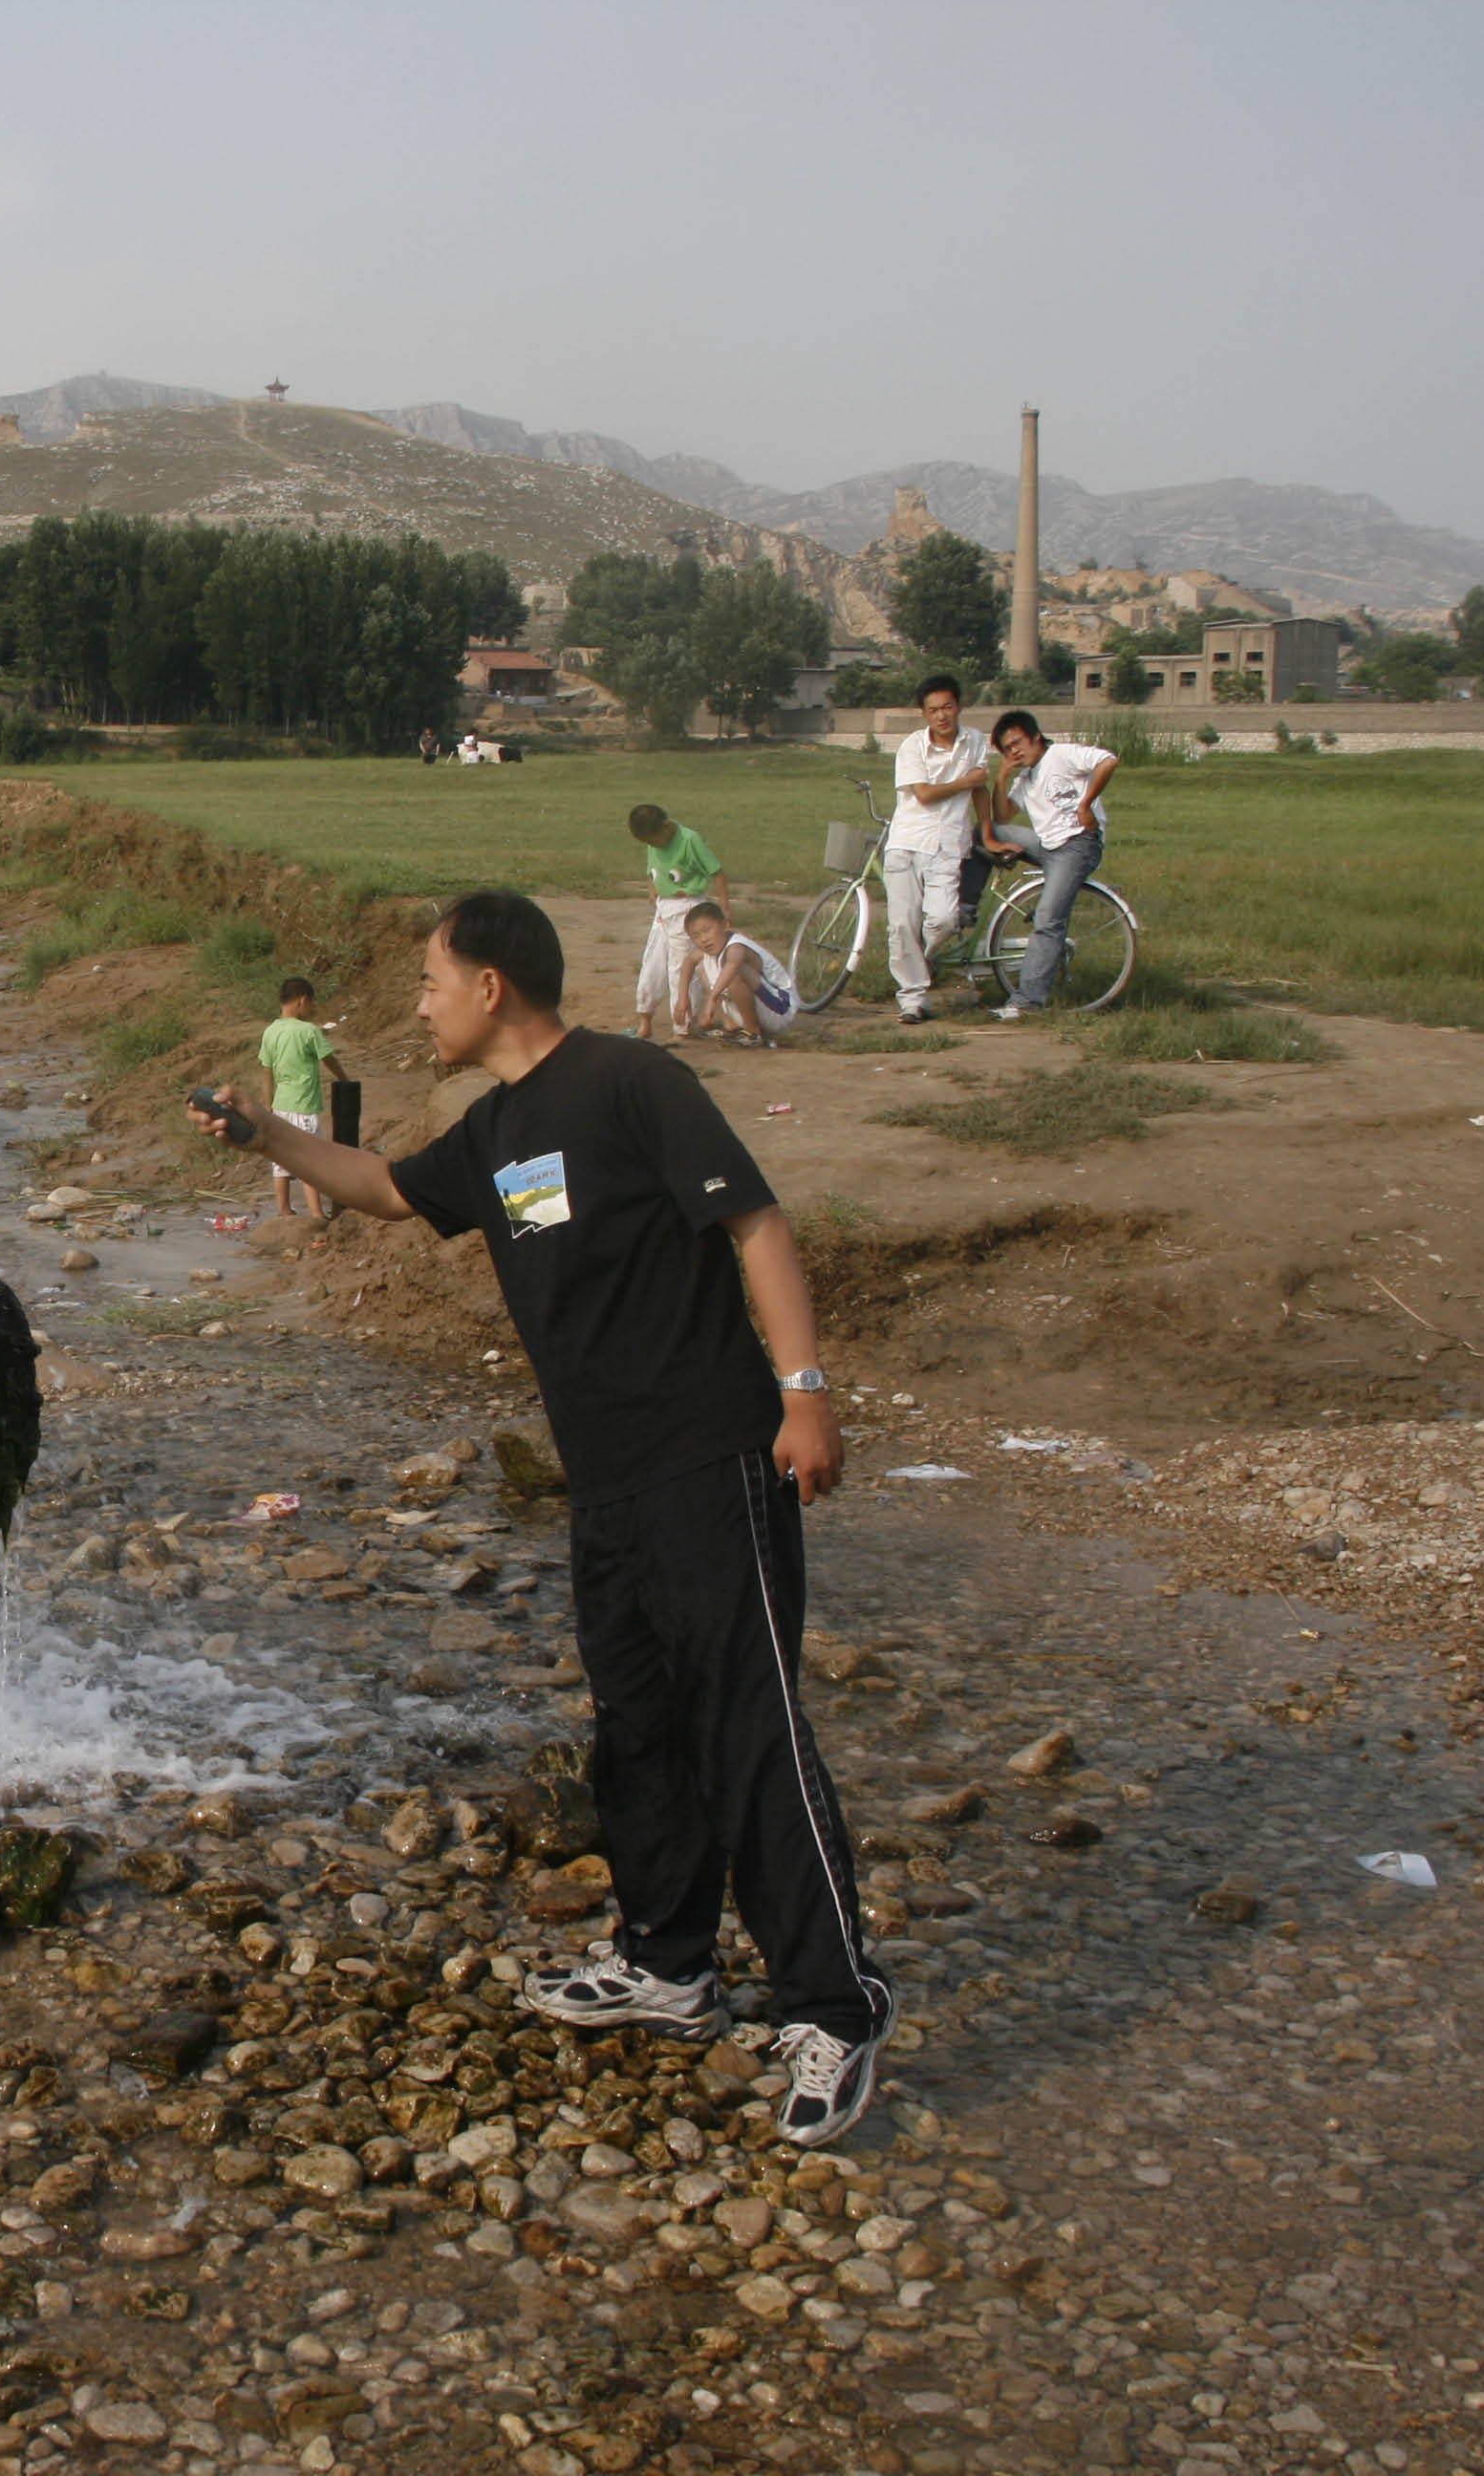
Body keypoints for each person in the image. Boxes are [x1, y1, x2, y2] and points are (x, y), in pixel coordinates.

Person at [187, 893, 896, 2147]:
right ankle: (667, 1965)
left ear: (493, 984)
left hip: (712, 1453)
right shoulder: (496, 1128)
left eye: (430, 979)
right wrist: (264, 1137)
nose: (420, 1001)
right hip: (605, 1478)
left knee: (748, 1726)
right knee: (636, 1724)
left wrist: (804, 1392)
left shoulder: (632, 1082)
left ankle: (833, 2011)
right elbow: (385, 1189)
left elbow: (756, 1221)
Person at [984, 710, 1116, 1021]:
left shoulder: (1061, 754)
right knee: (984, 832)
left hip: (1077, 844)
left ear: (1035, 737)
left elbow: (1108, 760)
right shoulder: (1025, 777)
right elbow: (1003, 816)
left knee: (1047, 918)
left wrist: (1086, 805)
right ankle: (962, 913)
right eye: (1007, 749)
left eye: (1018, 742)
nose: (1014, 751)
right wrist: (1001, 777)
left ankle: (1028, 1002)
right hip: (1047, 845)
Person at [885, 676, 991, 1025]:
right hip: (906, 842)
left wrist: (987, 833)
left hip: (948, 845)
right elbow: (925, 794)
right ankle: (913, 1000)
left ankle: (923, 959)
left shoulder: (974, 741)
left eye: (947, 707)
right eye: (933, 710)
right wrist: (967, 780)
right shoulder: (912, 747)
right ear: (924, 714)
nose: (941, 716)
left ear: (958, 706)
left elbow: (981, 792)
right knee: (902, 925)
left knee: (943, 920)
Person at [626, 804, 728, 1044]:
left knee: (680, 969)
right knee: (652, 965)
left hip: (687, 909)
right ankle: (645, 1020)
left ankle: (682, 1028)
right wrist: (653, 890)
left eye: (654, 840)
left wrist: (725, 907)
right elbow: (652, 872)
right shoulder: (653, 843)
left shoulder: (689, 840)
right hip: (664, 909)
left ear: (666, 826)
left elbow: (717, 872)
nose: (653, 845)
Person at [254, 976, 344, 1218]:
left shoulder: (270, 1032)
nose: (312, 1008)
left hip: (280, 1105)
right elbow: (329, 1059)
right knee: (309, 1159)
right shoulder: (309, 1031)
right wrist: (344, 1078)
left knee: (281, 1159)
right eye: (312, 1004)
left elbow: (267, 1071)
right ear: (302, 1001)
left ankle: (284, 1210)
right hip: (304, 1104)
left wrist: (267, 1104)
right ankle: (316, 1212)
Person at [681, 900, 795, 1047]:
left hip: (779, 1009)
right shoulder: (711, 948)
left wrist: (712, 999)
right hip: (760, 1007)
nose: (703, 939)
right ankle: (732, 1024)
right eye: (696, 936)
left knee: (734, 973)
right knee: (703, 966)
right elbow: (688, 961)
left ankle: (753, 1032)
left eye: (707, 930)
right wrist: (683, 999)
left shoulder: (736, 946)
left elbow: (734, 965)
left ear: (724, 925)